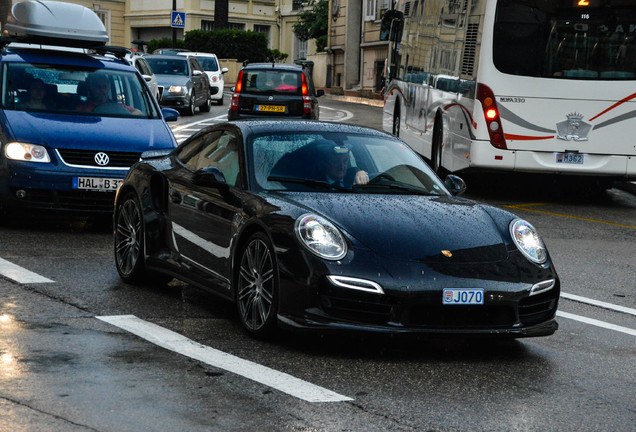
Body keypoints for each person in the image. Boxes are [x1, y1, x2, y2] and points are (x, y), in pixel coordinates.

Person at [76, 74, 142, 115]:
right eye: (98, 87)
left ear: (108, 88)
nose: (102, 90)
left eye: (104, 87)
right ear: (92, 88)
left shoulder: (118, 107)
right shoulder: (82, 109)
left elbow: (138, 112)